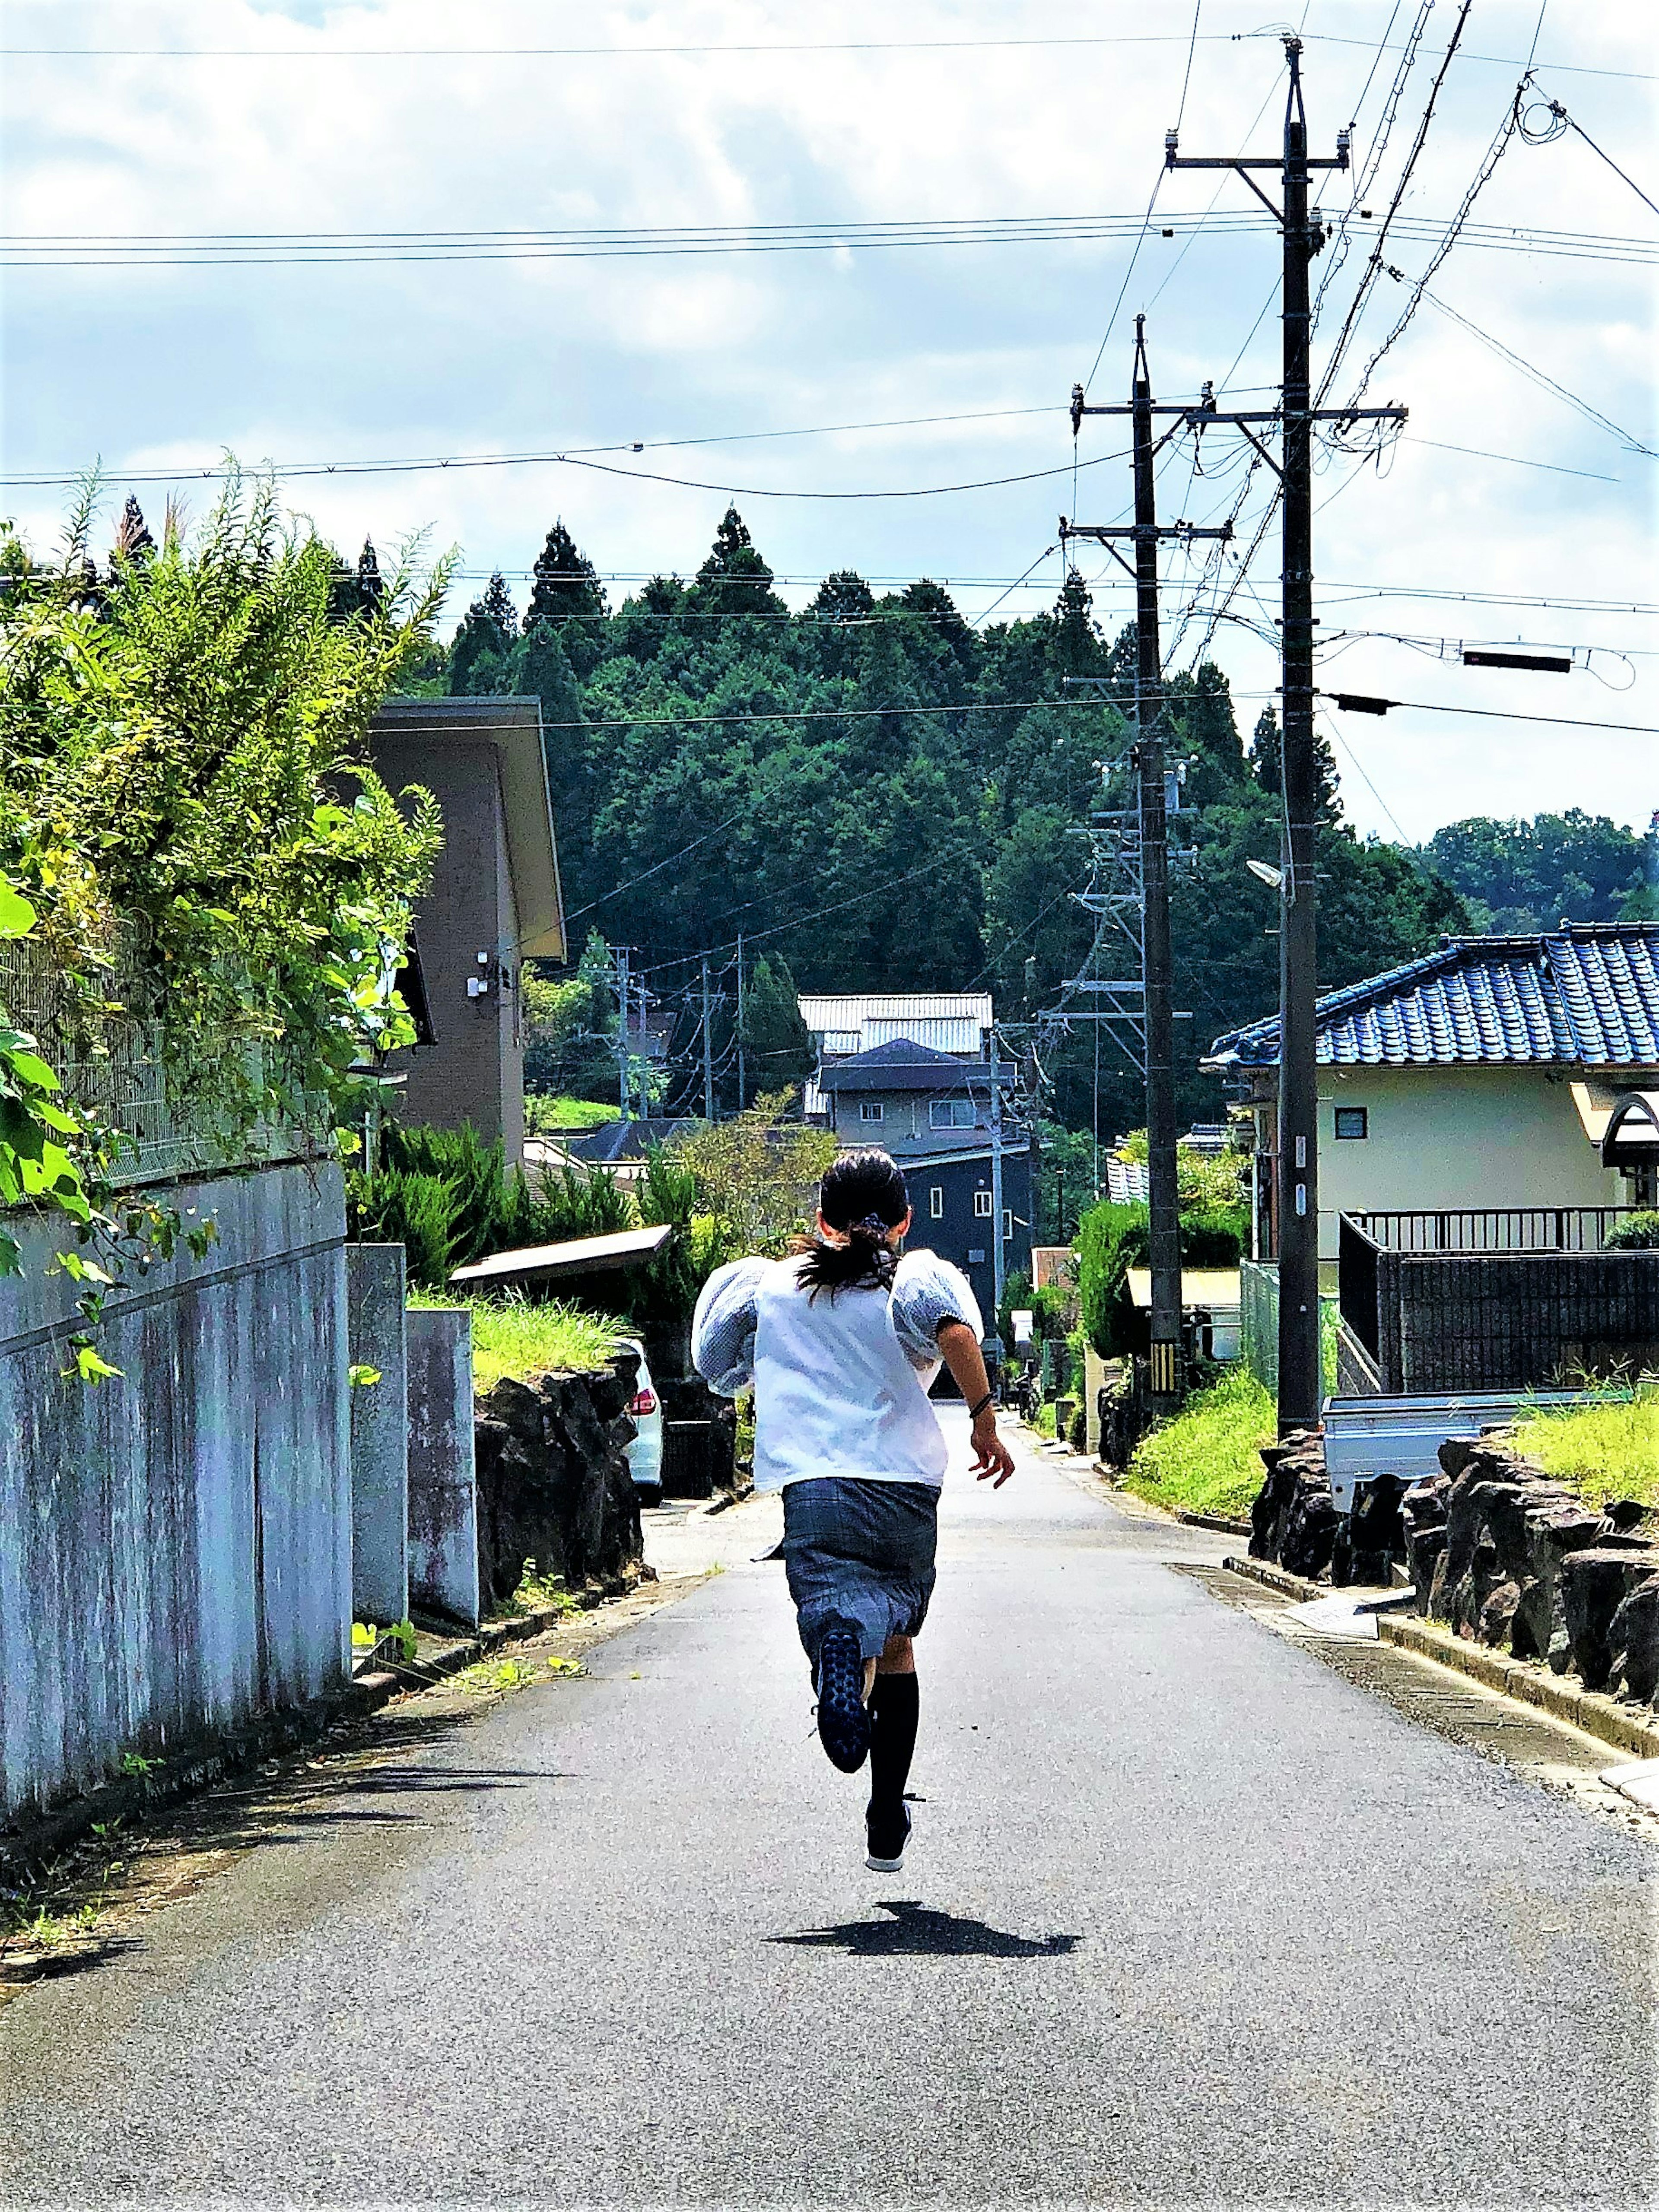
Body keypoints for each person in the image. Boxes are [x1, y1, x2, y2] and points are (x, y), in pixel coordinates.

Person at [692, 1146, 1016, 1873]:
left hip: (815, 1491)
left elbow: (717, 1367)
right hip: (904, 1492)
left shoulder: (767, 1287)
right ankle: (884, 1812)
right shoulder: (912, 1276)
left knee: (842, 1611)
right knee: (899, 1636)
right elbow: (955, 1332)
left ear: (820, 1221)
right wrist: (985, 1418)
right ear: (903, 1220)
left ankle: (839, 1659)